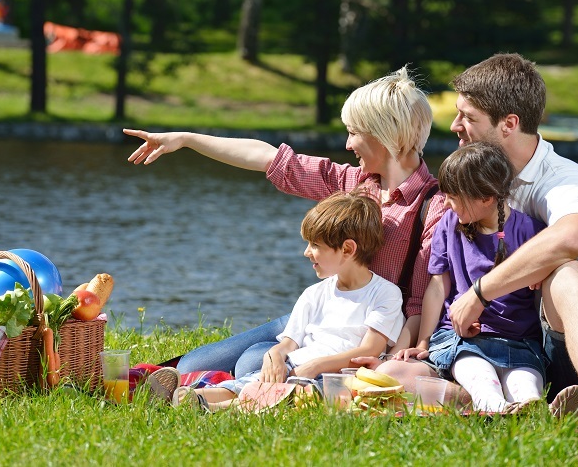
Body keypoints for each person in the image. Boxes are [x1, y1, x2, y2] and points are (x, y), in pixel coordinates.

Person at [124, 66, 445, 378]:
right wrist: (187, 139)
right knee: (190, 366)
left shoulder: (434, 207)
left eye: (353, 133)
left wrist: (393, 361)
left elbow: (417, 302)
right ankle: (229, 373)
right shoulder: (351, 183)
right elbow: (270, 158)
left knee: (252, 363)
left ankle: (246, 377)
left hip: (360, 333)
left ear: (384, 133)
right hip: (317, 314)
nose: (347, 144)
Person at [378, 53, 578, 432]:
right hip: (480, 341)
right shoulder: (470, 180)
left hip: (563, 347)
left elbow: (575, 235)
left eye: (468, 117)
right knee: (397, 374)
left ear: (509, 124)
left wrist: (480, 293)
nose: (455, 125)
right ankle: (491, 403)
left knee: (565, 271)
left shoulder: (563, 177)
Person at [164, 191, 404, 411]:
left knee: (301, 394)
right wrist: (276, 355)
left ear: (347, 249)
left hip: (336, 376)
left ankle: (214, 406)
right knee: (253, 381)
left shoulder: (384, 293)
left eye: (315, 245)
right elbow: (289, 343)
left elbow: (369, 349)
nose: (306, 252)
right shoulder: (314, 293)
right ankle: (188, 395)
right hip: (297, 367)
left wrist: (316, 366)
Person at [394, 142, 546, 413]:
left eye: (453, 197)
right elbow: (438, 286)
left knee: (524, 380)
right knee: (476, 371)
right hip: (462, 341)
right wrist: (424, 341)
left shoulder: (531, 231)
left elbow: (545, 269)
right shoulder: (449, 224)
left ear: (487, 198)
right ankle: (493, 405)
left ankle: (533, 406)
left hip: (518, 341)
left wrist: (542, 272)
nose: (447, 204)